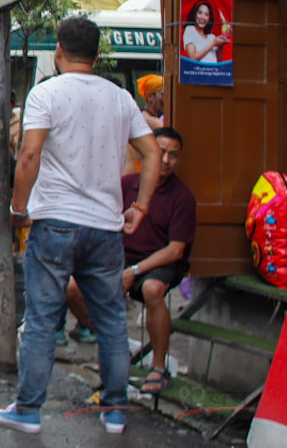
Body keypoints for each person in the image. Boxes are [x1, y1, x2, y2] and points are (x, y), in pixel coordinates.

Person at [0, 15, 164, 437]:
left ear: (59, 51)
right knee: (110, 321)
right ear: (97, 53)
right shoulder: (122, 97)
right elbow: (152, 152)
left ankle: (29, 410)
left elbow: (30, 155)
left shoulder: (46, 93)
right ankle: (115, 410)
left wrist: (18, 208)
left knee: (41, 320)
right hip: (105, 227)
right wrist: (140, 206)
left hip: (54, 222)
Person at [69, 126, 196, 393]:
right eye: (161, 152)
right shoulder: (128, 185)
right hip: (120, 257)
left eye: (173, 155)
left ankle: (159, 367)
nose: (165, 160)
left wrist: (134, 272)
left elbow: (176, 251)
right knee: (71, 287)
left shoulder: (182, 196)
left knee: (152, 290)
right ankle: (114, 347)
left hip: (160, 263)